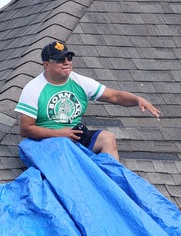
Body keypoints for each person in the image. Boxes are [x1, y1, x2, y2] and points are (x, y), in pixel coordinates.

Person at [15, 40, 161, 161]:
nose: (66, 63)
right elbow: (25, 129)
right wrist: (60, 133)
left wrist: (137, 100)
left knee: (107, 138)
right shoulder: (33, 89)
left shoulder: (80, 82)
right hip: (48, 142)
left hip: (73, 137)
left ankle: (112, 183)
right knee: (64, 147)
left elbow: (114, 96)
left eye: (69, 59)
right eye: (60, 60)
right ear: (46, 65)